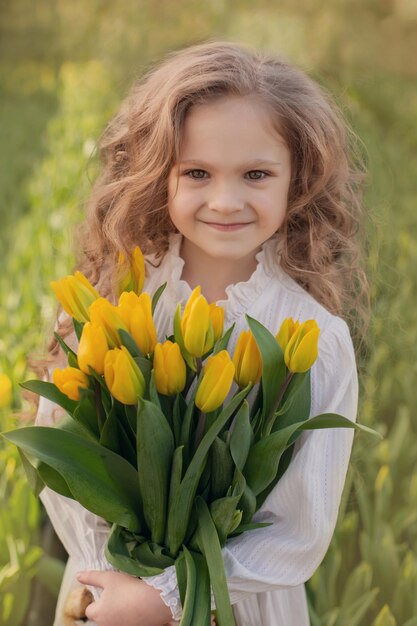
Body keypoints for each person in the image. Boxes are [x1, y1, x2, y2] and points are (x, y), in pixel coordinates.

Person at [35, 41, 369, 626]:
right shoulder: (114, 304)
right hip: (105, 596)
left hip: (234, 603)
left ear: (299, 179)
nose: (225, 200)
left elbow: (298, 531)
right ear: (156, 174)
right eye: (197, 172)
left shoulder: (312, 338)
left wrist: (167, 600)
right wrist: (108, 583)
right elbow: (67, 470)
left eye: (256, 174)